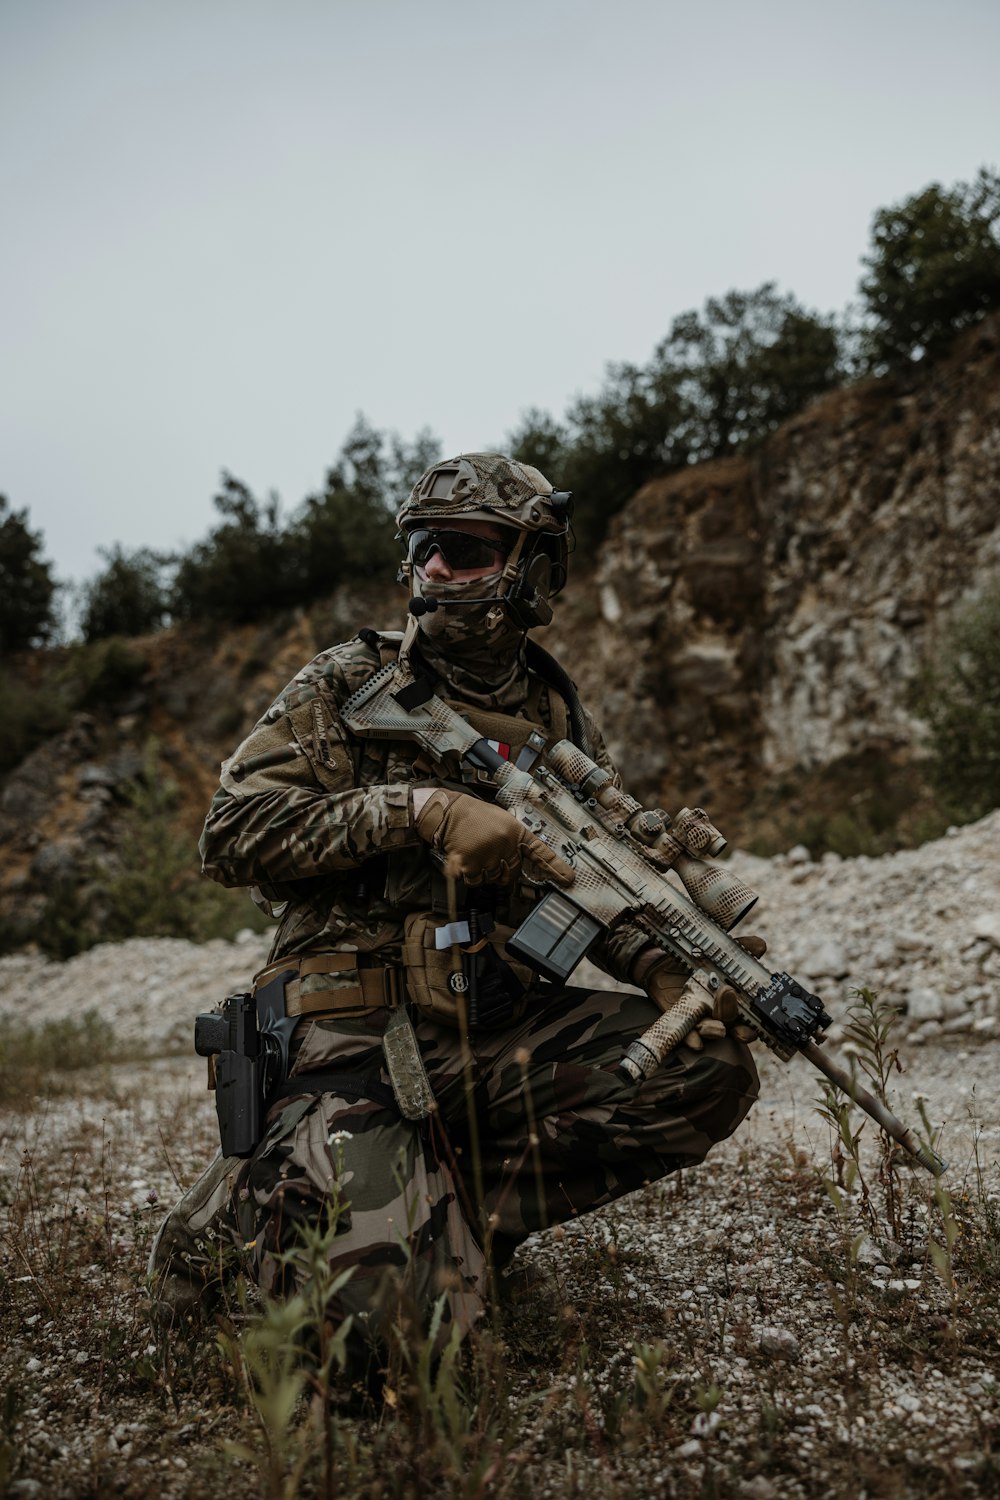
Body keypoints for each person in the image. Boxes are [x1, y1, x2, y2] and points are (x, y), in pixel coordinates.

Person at [149, 452, 759, 1382]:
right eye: (424, 547)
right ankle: (246, 1218)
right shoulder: (347, 684)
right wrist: (417, 813)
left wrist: (659, 964)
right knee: (390, 1360)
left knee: (704, 1066)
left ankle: (437, 1217)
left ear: (531, 569)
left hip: (483, 1024)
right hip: (345, 1032)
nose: (434, 569)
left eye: (465, 550)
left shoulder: (554, 716)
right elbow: (230, 835)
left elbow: (580, 880)